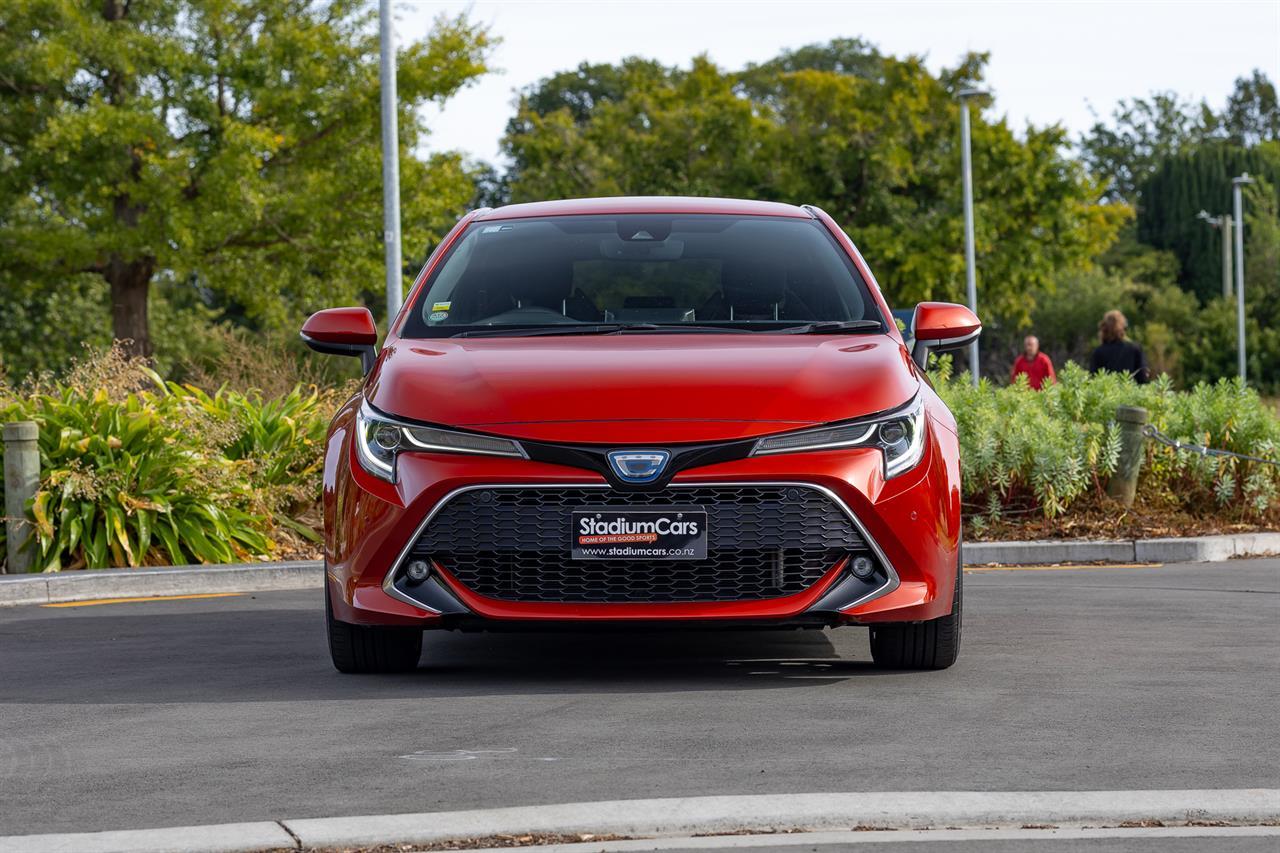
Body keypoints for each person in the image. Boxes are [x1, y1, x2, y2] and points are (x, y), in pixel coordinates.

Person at [1090, 310, 1149, 384]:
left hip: (1108, 394)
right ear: (1123, 328)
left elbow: (1093, 380)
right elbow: (1143, 378)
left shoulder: (1098, 352)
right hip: (1130, 393)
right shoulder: (1135, 348)